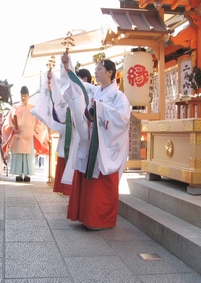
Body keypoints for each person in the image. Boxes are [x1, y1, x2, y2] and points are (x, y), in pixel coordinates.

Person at [60, 53, 131, 230]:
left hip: (105, 146)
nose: (96, 72)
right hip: (91, 142)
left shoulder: (119, 96)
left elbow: (122, 120)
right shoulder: (95, 90)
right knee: (88, 179)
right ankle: (86, 216)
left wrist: (100, 108)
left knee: (102, 182)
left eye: (99, 69)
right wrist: (67, 67)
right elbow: (79, 86)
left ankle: (101, 220)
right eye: (96, 69)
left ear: (110, 72)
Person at [2, 86, 39, 182]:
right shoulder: (14, 108)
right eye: (22, 96)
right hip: (17, 136)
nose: (23, 98)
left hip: (28, 136)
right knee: (18, 156)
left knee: (28, 157)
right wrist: (13, 128)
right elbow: (8, 121)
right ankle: (18, 174)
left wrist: (34, 130)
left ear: (28, 96)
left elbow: (39, 122)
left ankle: (27, 175)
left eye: (25, 96)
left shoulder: (33, 108)